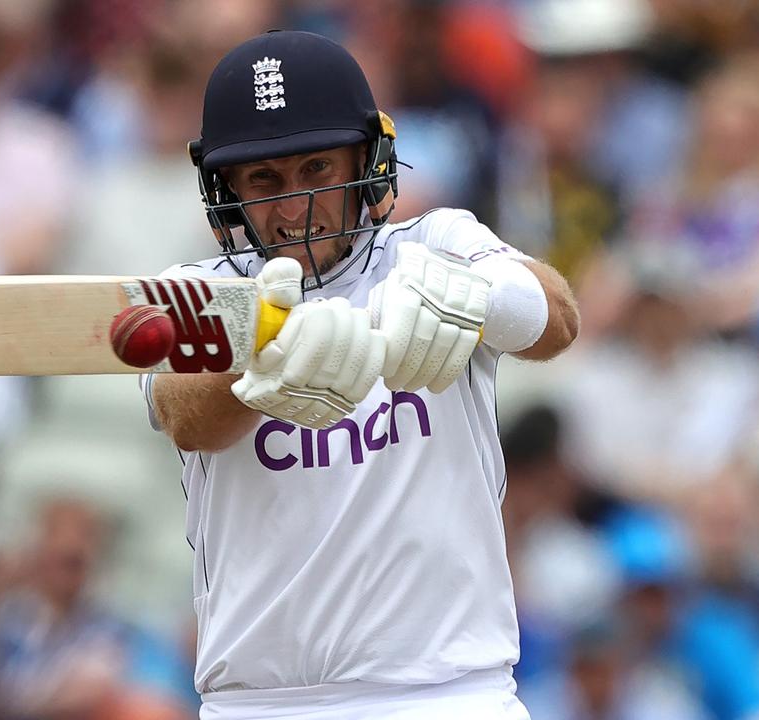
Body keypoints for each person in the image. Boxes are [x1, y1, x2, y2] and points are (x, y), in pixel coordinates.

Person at [143, 30, 579, 720]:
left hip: (452, 695)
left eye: (316, 168)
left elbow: (555, 321)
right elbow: (185, 416)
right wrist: (263, 354)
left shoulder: (435, 244)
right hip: (261, 705)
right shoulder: (198, 285)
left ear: (369, 161)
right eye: (264, 181)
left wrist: (471, 299)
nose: (293, 210)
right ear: (225, 190)